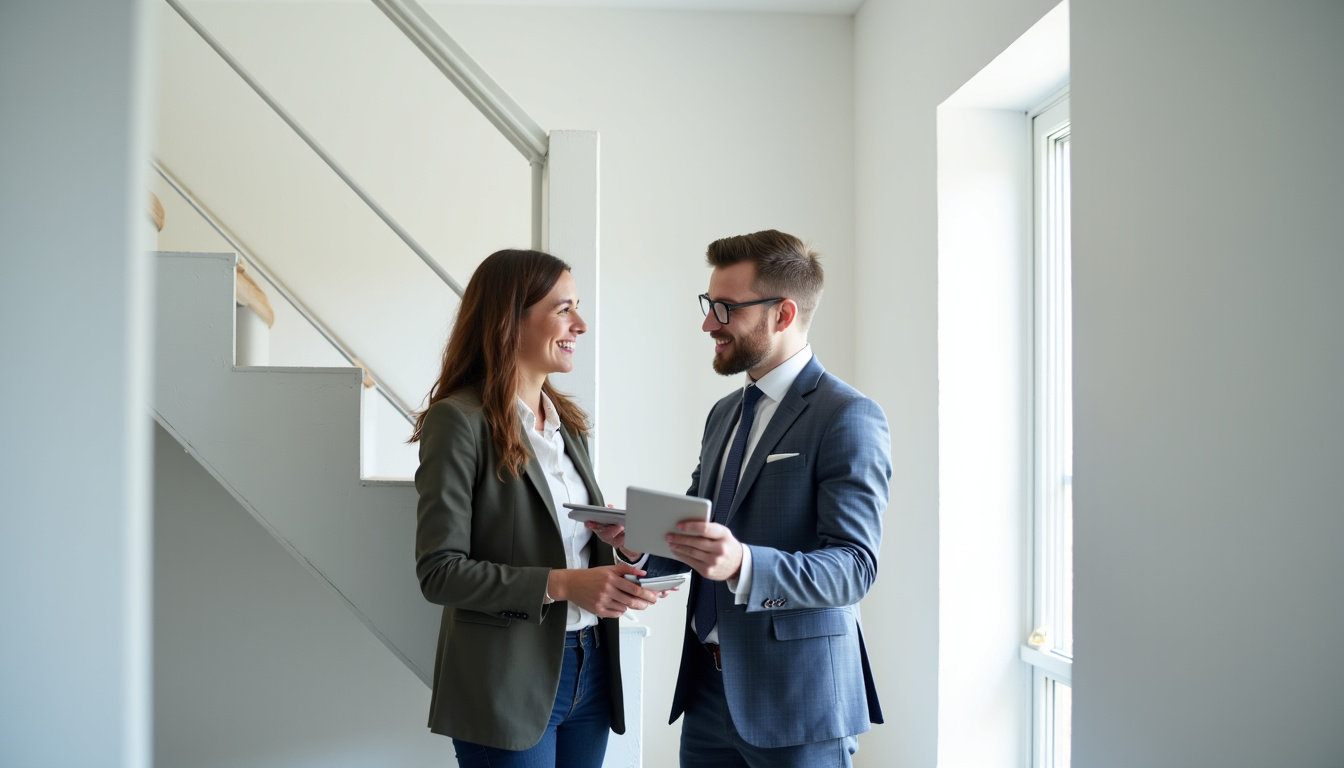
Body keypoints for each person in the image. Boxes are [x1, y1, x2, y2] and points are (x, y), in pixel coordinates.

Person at [590, 229, 891, 767]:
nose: (708, 323)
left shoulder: (847, 415)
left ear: (782, 314)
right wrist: (633, 540)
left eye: (725, 309)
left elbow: (854, 566)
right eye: (709, 305)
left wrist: (745, 564)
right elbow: (697, 528)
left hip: (798, 702)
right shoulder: (725, 413)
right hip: (707, 693)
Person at [411, 249, 661, 768]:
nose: (581, 324)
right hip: (506, 678)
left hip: (591, 668)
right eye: (563, 308)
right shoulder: (458, 421)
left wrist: (625, 547)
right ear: (510, 319)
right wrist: (566, 584)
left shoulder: (569, 424)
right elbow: (441, 573)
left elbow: (569, 542)